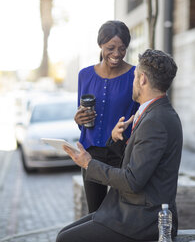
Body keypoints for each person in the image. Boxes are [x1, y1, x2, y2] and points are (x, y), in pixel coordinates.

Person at [57, 49, 182, 242]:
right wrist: (116, 139)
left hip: (143, 218)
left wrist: (88, 164)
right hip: (127, 209)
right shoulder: (153, 112)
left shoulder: (156, 121)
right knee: (64, 234)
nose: (132, 82)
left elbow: (132, 181)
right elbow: (138, 163)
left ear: (142, 79)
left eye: (133, 77)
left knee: (66, 239)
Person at [74, 20, 139, 213]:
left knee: (123, 211)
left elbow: (141, 115)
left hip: (122, 154)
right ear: (100, 45)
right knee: (95, 212)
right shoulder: (84, 75)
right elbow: (81, 117)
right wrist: (79, 120)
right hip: (90, 154)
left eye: (122, 48)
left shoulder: (136, 75)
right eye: (111, 48)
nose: (117, 54)